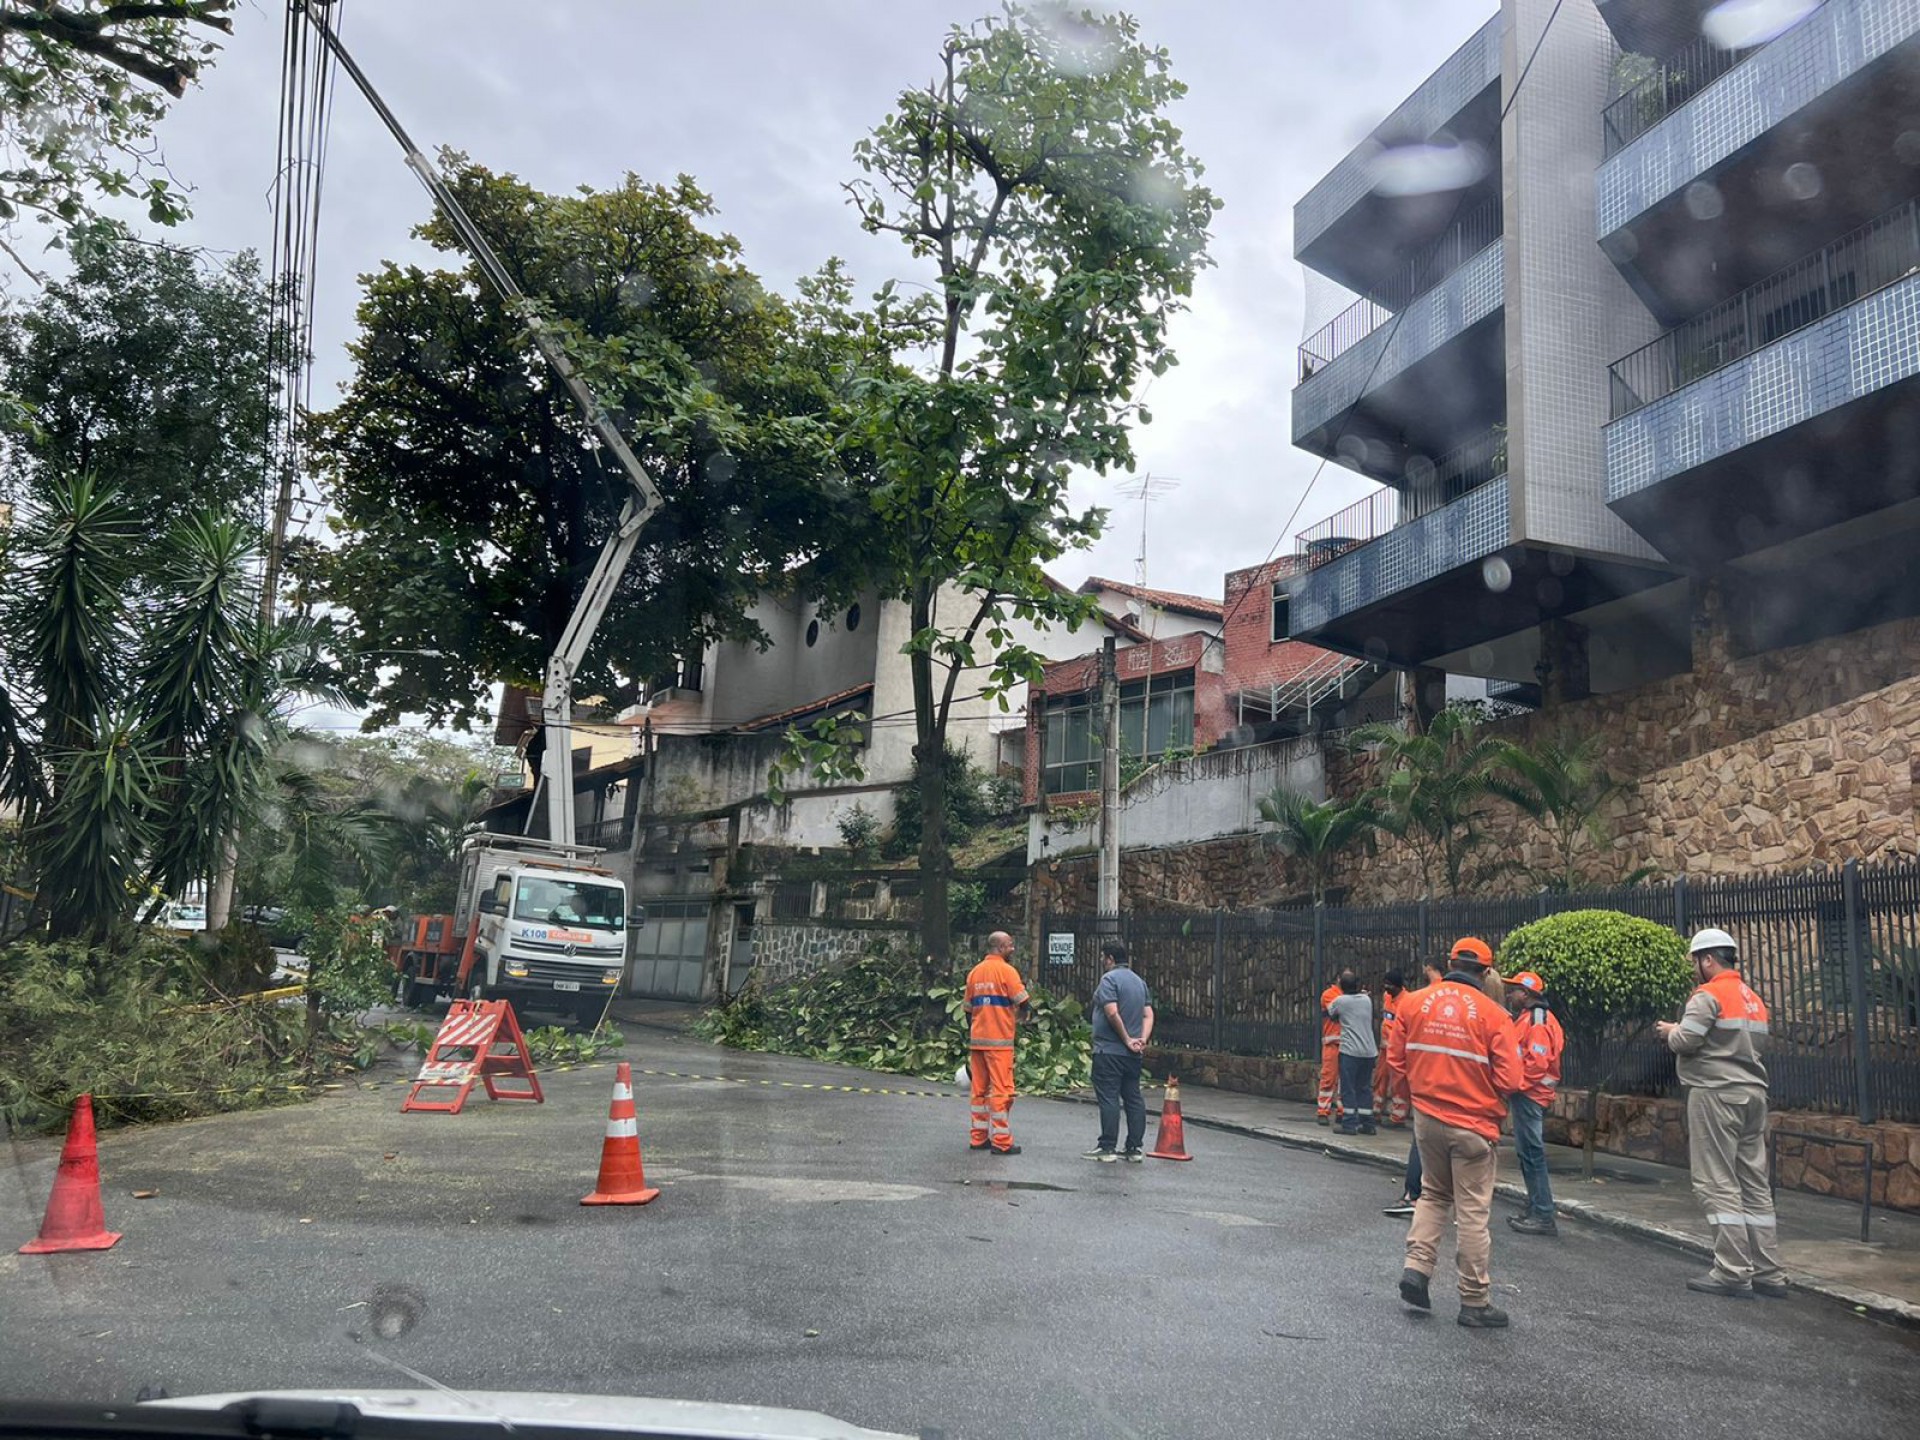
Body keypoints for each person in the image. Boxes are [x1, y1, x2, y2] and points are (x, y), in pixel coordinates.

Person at [1387, 936, 1525, 1329]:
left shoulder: (1413, 1002)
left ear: (1449, 963)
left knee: (1432, 1193)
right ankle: (1474, 1301)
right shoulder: (1496, 1016)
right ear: (1484, 972)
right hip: (1473, 1126)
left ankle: (1416, 1269)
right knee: (1472, 1213)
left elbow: (1396, 1061)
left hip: (1427, 1119)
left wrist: (1411, 1097)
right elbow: (1511, 1080)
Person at [1656, 928, 1787, 1299]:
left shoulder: (1708, 995)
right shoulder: (1752, 998)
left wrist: (1670, 1030)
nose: (1695, 969)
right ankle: (1768, 1272)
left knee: (1717, 1181)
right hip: (1753, 1095)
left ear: (1707, 960)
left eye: (1695, 961)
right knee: (1753, 1183)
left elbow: (1687, 1041)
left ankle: (1731, 1270)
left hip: (1715, 1093)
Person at [1383, 958, 1446, 1218]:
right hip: (1455, 1091)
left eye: (1427, 971)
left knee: (1422, 1142)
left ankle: (1414, 1195)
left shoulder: (1417, 1002)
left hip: (1427, 1086)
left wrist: (1410, 1080)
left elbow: (1396, 1056)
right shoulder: (1478, 1007)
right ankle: (1439, 1198)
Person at [1083, 937, 1155, 1163]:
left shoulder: (1109, 980)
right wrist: (1141, 1039)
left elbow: (1112, 1012)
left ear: (1110, 958)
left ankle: (1107, 1147)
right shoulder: (1139, 981)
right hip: (1133, 1054)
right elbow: (1148, 1014)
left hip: (1109, 1050)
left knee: (1109, 1098)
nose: (1103, 961)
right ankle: (1134, 1148)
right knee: (1133, 1097)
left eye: (1104, 957)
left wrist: (1125, 1039)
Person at [1503, 970, 1563, 1237]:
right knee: (1527, 1154)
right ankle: (1536, 1206)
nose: (1510, 994)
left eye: (1514, 989)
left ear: (1525, 994)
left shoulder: (1537, 1021)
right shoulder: (1530, 1018)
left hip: (1530, 1095)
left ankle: (1542, 1213)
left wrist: (1517, 1085)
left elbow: (1537, 1063)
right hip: (1529, 1094)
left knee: (1532, 1154)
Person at [965, 931, 1030, 1156]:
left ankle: (978, 1137)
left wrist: (974, 1031)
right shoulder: (1007, 971)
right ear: (1001, 947)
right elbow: (1023, 1001)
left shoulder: (975, 972)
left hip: (978, 1042)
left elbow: (967, 1010)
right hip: (999, 1043)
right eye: (1010, 945)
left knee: (979, 1092)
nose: (1013, 949)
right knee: (1002, 1091)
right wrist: (1023, 1017)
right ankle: (1002, 1141)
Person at [1326, 969, 1377, 1135]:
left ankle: (1349, 1124)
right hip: (1369, 1052)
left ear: (1341, 985)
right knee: (1364, 1088)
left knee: (1348, 1089)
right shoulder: (1367, 1000)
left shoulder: (1340, 1001)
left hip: (1350, 1051)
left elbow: (1331, 1013)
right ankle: (1368, 1124)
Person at [1374, 968, 1411, 1129]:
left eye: (1389, 984)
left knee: (1398, 1084)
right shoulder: (1387, 997)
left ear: (1398, 986)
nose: (1386, 987)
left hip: (1398, 1050)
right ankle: (1376, 1111)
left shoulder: (1407, 1001)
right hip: (1384, 1048)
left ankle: (1398, 1117)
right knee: (1380, 1079)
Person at [1316, 977, 1343, 1125]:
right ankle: (1323, 1111)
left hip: (1346, 1044)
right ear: (1339, 979)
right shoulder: (1328, 994)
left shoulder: (1348, 996)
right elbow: (1335, 1011)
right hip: (1331, 1044)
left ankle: (1341, 1112)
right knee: (1328, 1079)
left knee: (1344, 1082)